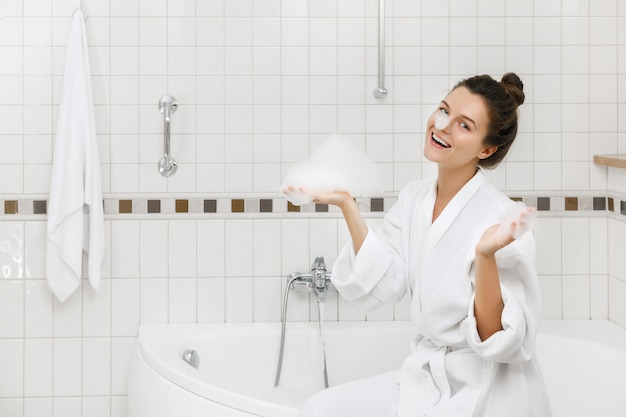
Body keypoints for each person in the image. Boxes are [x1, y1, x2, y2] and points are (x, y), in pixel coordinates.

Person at [294, 73, 552, 417]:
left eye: (464, 125)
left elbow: (499, 339)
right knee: (318, 408)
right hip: (428, 377)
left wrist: (485, 254)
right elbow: (388, 281)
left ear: (486, 149)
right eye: (444, 111)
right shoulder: (415, 198)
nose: (442, 126)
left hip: (487, 388)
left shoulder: (501, 219)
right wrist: (347, 206)